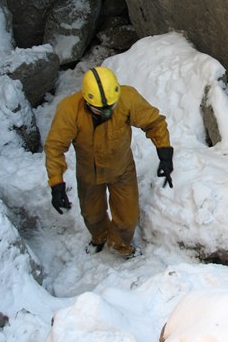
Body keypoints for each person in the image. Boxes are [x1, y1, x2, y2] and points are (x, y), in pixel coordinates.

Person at [44, 66, 173, 256]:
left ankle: (121, 245)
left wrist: (164, 152)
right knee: (91, 215)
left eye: (111, 107)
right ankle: (99, 237)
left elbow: (154, 122)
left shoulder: (126, 98)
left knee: (128, 218)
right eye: (99, 109)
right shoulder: (69, 110)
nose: (107, 112)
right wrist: (56, 183)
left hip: (122, 169)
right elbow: (55, 147)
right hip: (89, 173)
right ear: (87, 101)